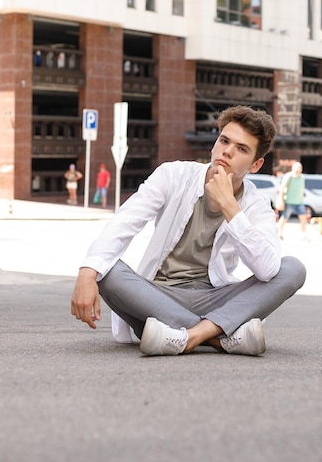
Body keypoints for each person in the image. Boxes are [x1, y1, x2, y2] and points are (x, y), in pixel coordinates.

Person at [71, 106, 306, 357]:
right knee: (107, 270)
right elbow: (125, 221)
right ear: (214, 144)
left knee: (293, 268)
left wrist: (230, 207)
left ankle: (188, 336)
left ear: (256, 164)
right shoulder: (173, 175)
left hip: (215, 296)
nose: (227, 151)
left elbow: (268, 270)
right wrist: (87, 271)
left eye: (242, 149)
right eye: (224, 140)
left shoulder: (256, 205)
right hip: (159, 295)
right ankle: (219, 337)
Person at [277, 162, 308, 241]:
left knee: (303, 218)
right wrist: (281, 200)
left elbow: (301, 189)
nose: (298, 170)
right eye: (297, 168)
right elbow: (282, 188)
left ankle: (304, 235)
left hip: (299, 202)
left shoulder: (302, 177)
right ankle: (279, 234)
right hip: (289, 201)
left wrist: (301, 198)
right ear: (293, 168)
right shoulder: (289, 176)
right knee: (284, 218)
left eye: (300, 168)